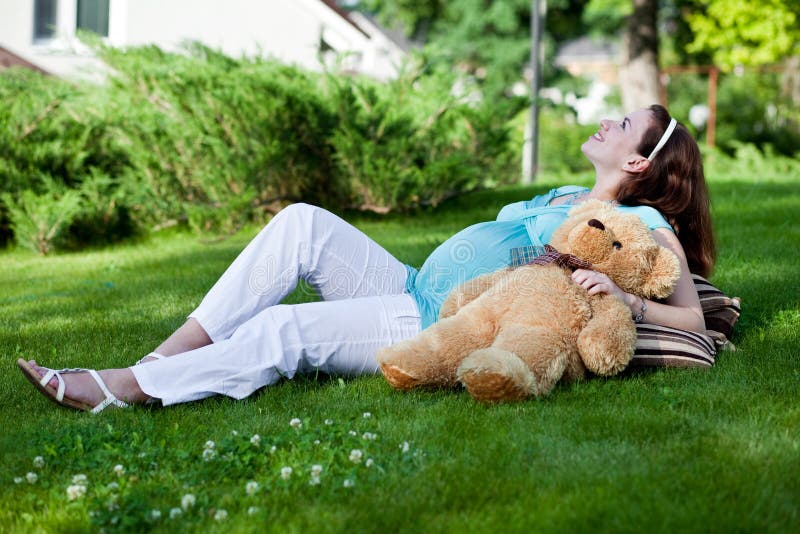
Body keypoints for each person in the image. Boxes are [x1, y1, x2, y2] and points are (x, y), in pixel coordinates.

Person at [18, 104, 715, 413]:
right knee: (301, 223)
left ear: (636, 159)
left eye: (621, 124)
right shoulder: (566, 192)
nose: (604, 121)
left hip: (429, 318)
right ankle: (163, 361)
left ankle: (126, 390)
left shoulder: (641, 221)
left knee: (282, 333)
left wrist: (625, 302)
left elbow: (692, 324)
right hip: (416, 282)